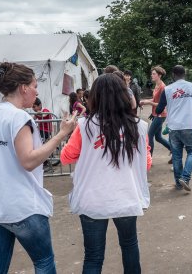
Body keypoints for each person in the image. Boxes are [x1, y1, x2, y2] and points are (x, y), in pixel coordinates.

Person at [0, 62, 77, 273]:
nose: (37, 91)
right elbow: (28, 161)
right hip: (21, 205)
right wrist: (62, 134)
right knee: (43, 262)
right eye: (35, 85)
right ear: (23, 88)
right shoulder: (18, 117)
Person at [60, 74, 151, 274]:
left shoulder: (84, 126)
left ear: (96, 97)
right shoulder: (139, 126)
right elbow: (147, 163)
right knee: (129, 246)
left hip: (92, 199)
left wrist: (64, 134)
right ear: (123, 95)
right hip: (126, 196)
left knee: (93, 255)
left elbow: (66, 157)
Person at [156, 65, 192, 192]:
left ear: (173, 75)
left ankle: (179, 184)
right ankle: (185, 177)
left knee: (177, 156)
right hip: (190, 126)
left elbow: (158, 109)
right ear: (185, 74)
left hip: (173, 128)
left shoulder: (167, 89)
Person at [140, 66, 171, 159]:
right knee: (158, 137)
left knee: (149, 135)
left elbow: (162, 104)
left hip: (160, 114)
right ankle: (174, 150)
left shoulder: (163, 87)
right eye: (152, 74)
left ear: (159, 75)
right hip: (155, 114)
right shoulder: (156, 86)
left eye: (154, 74)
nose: (151, 75)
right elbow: (154, 99)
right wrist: (144, 102)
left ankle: (149, 158)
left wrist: (148, 102)